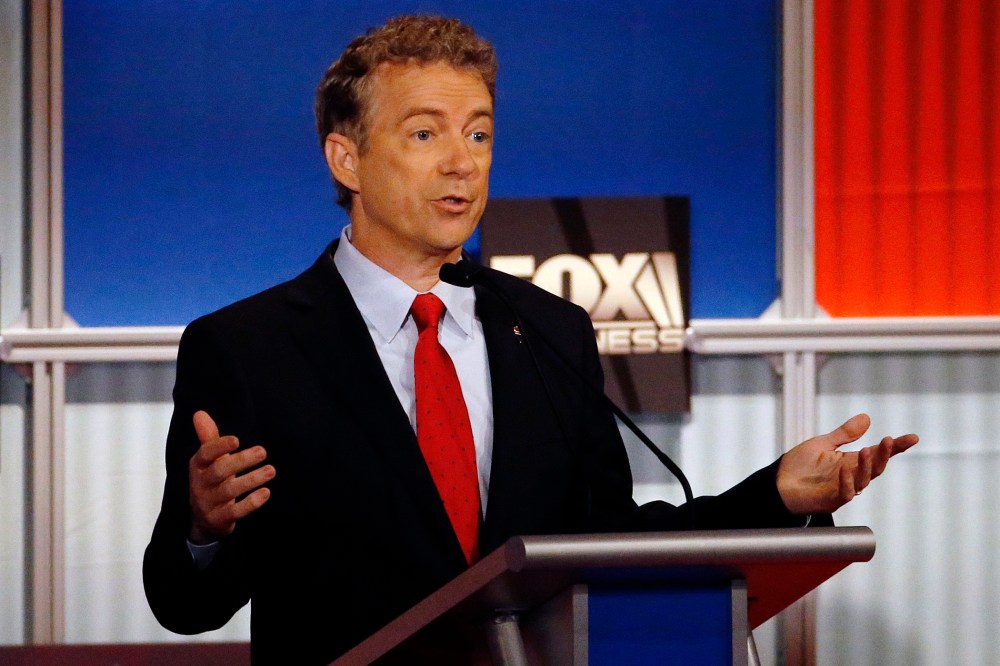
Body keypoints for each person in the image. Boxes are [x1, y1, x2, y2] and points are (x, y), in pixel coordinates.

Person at [143, 15, 918, 665]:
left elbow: (605, 542)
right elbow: (184, 604)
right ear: (346, 157)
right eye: (424, 133)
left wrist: (775, 495)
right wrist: (203, 528)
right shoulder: (246, 347)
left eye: (479, 134)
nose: (462, 162)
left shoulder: (547, 329)